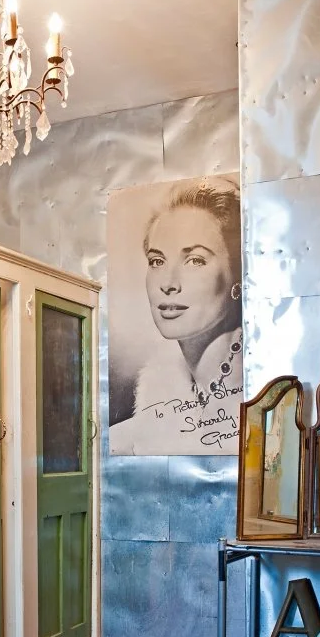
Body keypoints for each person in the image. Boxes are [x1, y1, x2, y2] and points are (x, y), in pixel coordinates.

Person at [110, 177, 243, 456]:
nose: (168, 283)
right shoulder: (140, 425)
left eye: (195, 260)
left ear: (238, 277)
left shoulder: (257, 393)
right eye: (157, 261)